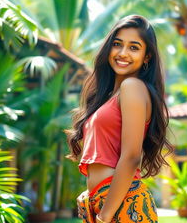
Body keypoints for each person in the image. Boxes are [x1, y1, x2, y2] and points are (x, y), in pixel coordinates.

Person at [65, 15, 173, 223]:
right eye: (117, 44)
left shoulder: (132, 87)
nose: (123, 53)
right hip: (106, 203)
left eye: (134, 47)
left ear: (147, 56)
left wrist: (105, 215)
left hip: (121, 206)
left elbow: (131, 156)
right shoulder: (108, 97)